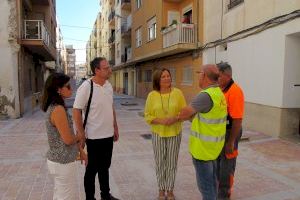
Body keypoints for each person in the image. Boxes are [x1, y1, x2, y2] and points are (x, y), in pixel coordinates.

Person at [73, 57, 120, 200]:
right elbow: (76, 110)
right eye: (106, 68)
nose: (110, 70)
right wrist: (81, 134)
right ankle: (90, 198)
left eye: (109, 67)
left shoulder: (108, 86)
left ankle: (105, 195)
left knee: (105, 167)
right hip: (93, 137)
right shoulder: (87, 87)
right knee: (91, 170)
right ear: (97, 70)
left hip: (108, 135)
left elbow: (111, 107)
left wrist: (115, 127)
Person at [178, 64, 227, 200]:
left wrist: (188, 113)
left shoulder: (205, 96)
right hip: (213, 149)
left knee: (206, 188)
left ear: (204, 75)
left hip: (203, 150)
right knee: (212, 184)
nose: (198, 77)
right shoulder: (219, 93)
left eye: (199, 74)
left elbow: (183, 114)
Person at [41, 73, 87, 200]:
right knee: (67, 196)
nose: (71, 89)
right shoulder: (58, 109)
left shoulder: (57, 107)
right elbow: (68, 139)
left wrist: (80, 151)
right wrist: (80, 135)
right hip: (62, 162)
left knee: (60, 194)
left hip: (60, 161)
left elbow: (67, 135)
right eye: (68, 87)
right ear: (58, 89)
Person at [144, 68, 186, 200]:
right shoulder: (152, 95)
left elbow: (184, 112)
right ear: (158, 80)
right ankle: (161, 190)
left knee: (172, 163)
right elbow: (147, 115)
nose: (167, 78)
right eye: (163, 77)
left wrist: (175, 118)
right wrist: (161, 120)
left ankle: (170, 190)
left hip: (175, 132)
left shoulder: (178, 93)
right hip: (158, 133)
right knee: (160, 162)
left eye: (168, 76)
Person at [216, 62, 244, 200]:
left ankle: (225, 195)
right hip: (220, 133)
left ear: (227, 76)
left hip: (230, 133)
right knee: (218, 166)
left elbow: (237, 121)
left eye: (218, 75)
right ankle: (218, 193)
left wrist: (231, 142)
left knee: (226, 168)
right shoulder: (220, 89)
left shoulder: (235, 91)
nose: (216, 78)